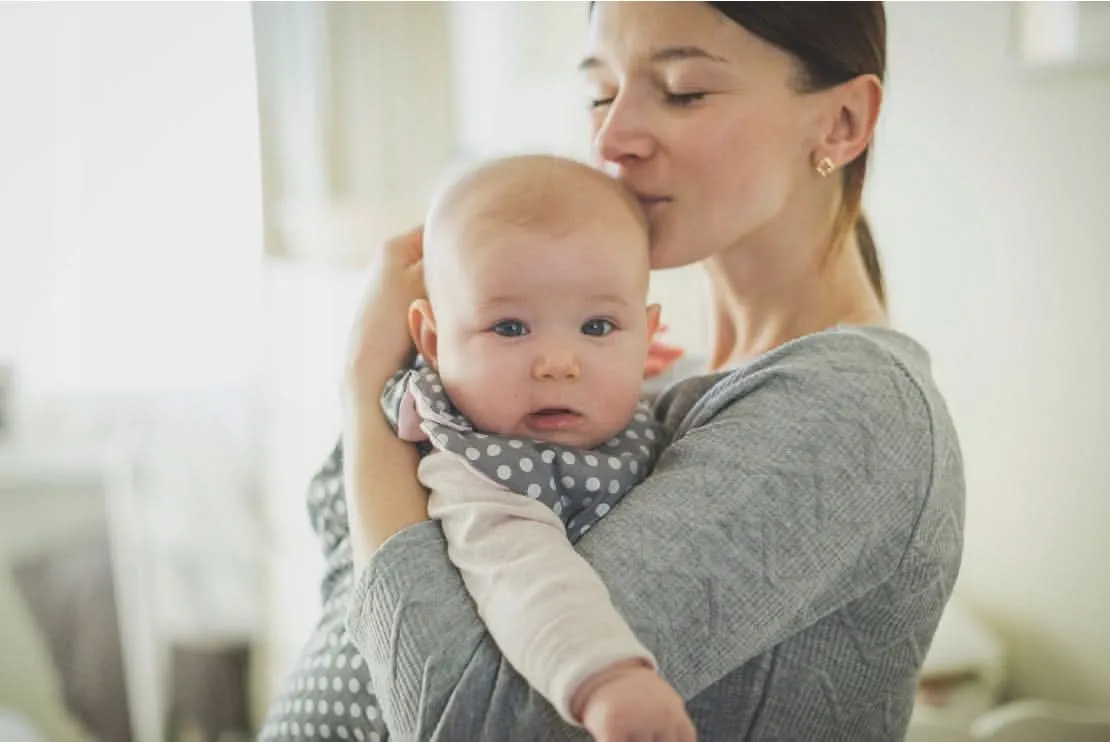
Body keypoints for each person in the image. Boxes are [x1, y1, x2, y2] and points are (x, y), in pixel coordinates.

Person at [260, 3, 965, 741]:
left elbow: (477, 726)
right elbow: (349, 575)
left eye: (684, 89)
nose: (611, 137)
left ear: (843, 122)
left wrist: (364, 381)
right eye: (601, 93)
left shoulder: (849, 410)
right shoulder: (636, 388)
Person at [380, 153, 694, 738]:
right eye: (510, 328)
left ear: (646, 336)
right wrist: (607, 680)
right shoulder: (478, 465)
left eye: (598, 327)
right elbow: (522, 575)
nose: (557, 364)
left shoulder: (656, 404)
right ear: (433, 338)